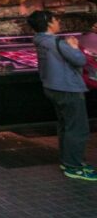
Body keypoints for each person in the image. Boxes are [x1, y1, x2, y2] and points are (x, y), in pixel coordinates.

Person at [28, 10, 95, 181]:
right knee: (78, 127)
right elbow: (80, 61)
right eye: (56, 19)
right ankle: (74, 166)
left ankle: (68, 160)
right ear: (49, 23)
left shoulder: (39, 41)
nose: (58, 22)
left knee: (65, 125)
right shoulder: (57, 42)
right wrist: (73, 47)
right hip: (68, 88)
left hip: (51, 87)